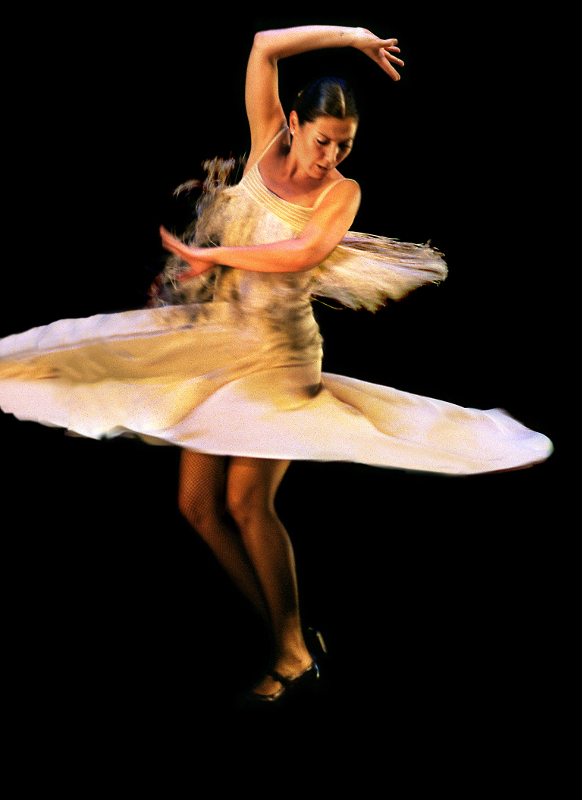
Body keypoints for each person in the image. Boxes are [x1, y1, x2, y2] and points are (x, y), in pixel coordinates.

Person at [0, 26, 552, 705]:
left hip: (280, 356)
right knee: (196, 506)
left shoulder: (340, 194)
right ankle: (290, 635)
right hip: (219, 342)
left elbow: (296, 257)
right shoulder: (266, 139)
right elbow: (264, 45)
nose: (329, 157)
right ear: (291, 123)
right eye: (321, 140)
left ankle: (290, 650)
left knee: (246, 502)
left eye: (343, 145)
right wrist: (352, 37)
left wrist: (218, 258)